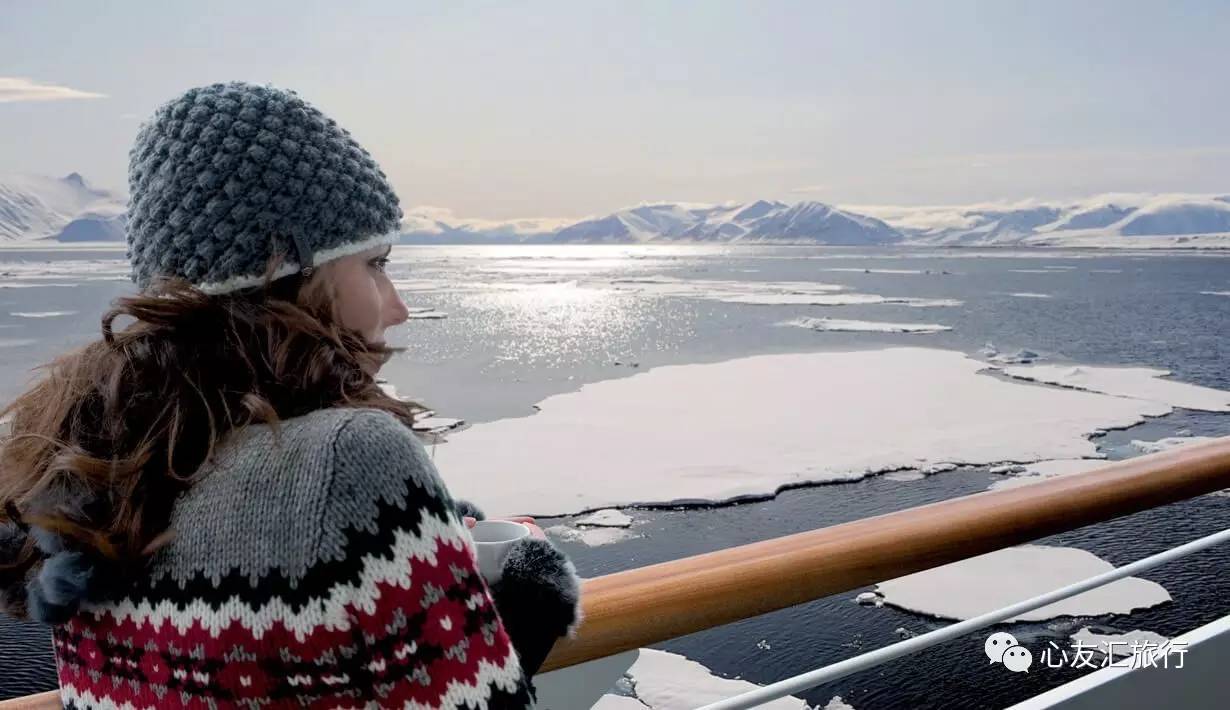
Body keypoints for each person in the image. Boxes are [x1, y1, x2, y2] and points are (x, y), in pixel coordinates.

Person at [0, 82, 581, 709]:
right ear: (291, 271)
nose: (399, 307)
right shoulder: (349, 461)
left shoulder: (79, 475)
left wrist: (415, 543)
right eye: (376, 264)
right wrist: (520, 602)